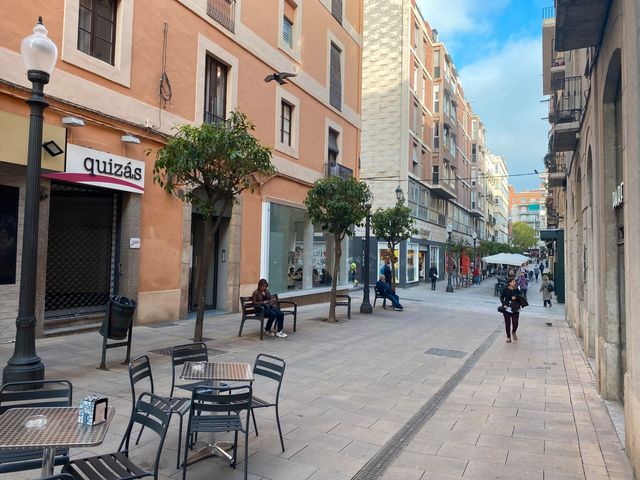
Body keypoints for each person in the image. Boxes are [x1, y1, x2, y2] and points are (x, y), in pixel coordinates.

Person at [500, 277, 526, 343]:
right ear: (509, 283)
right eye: (513, 281)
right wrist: (504, 304)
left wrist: (516, 298)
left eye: (515, 281)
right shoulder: (505, 289)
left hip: (515, 308)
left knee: (515, 323)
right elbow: (501, 297)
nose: (514, 282)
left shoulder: (517, 290)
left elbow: (520, 297)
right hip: (507, 309)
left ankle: (513, 332)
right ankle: (508, 337)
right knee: (507, 323)